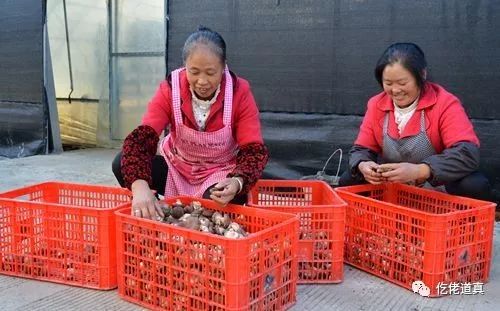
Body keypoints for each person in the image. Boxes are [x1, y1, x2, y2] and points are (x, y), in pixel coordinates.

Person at [112, 26, 269, 219]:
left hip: (218, 174)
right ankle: (156, 209)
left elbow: (253, 150)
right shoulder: (170, 89)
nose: (202, 81)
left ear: (224, 67)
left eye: (211, 72)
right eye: (194, 72)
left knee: (215, 202)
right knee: (121, 163)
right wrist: (140, 185)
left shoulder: (239, 92)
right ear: (185, 66)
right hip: (176, 169)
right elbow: (142, 138)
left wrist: (237, 182)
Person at [340, 42, 491, 200]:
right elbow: (361, 149)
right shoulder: (376, 104)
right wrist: (363, 165)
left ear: (422, 74)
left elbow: (467, 153)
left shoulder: (445, 103)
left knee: (474, 185)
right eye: (388, 83)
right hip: (392, 183)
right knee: (348, 179)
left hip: (434, 183)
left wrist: (421, 171)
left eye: (403, 83)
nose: (395, 90)